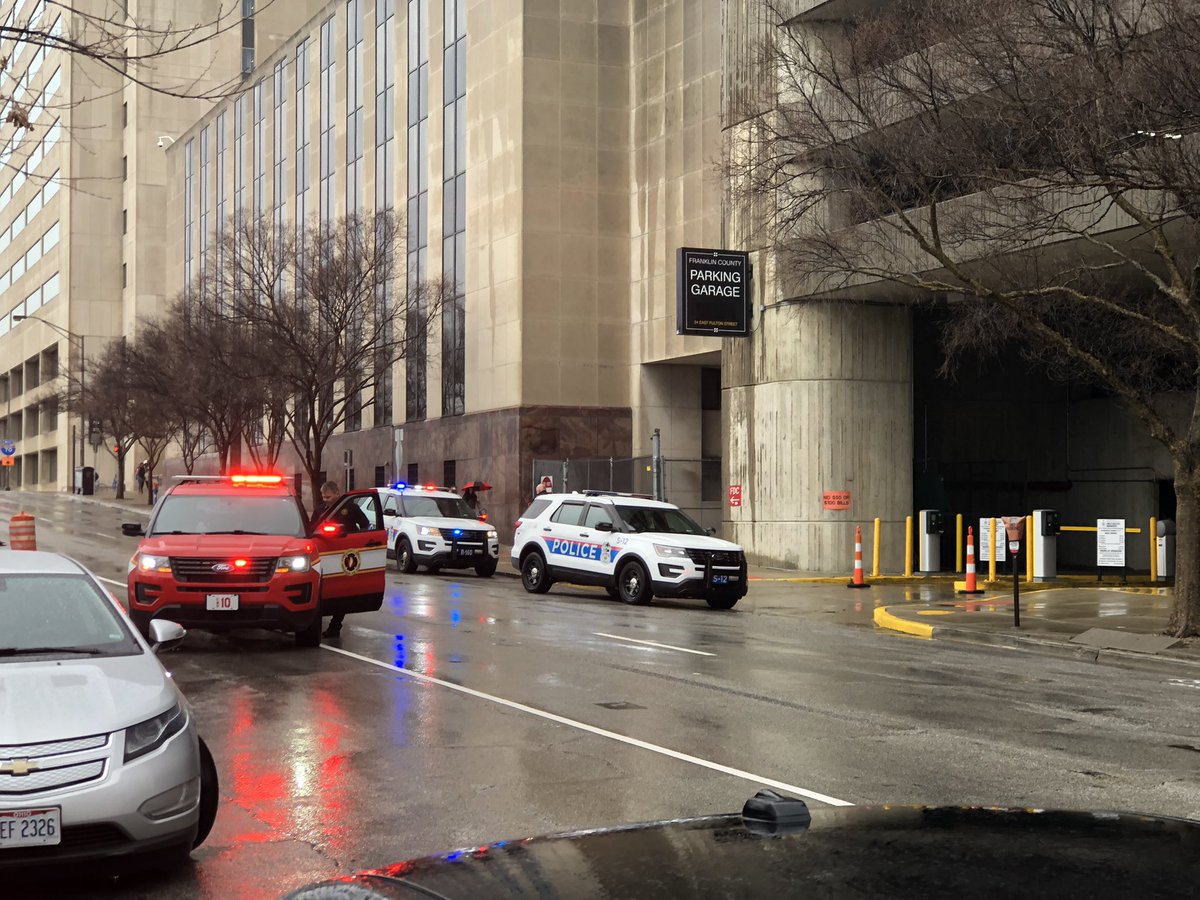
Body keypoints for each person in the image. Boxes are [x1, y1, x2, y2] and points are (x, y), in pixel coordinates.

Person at [313, 480, 346, 639]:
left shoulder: (349, 508)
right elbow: (311, 529)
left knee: (341, 592)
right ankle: (314, 626)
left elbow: (364, 525)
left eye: (328, 497)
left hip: (344, 556)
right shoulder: (319, 510)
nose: (325, 500)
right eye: (323, 497)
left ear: (337, 494)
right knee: (320, 592)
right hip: (323, 555)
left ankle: (335, 627)